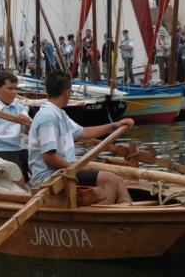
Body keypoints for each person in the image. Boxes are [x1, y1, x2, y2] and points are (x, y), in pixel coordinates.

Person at [28, 71, 135, 205]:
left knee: (118, 180)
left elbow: (83, 132)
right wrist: (76, 167)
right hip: (49, 176)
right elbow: (49, 158)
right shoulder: (48, 117)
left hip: (63, 170)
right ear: (67, 92)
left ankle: (131, 217)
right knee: (110, 180)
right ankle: (101, 222)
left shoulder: (60, 114)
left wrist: (115, 125)